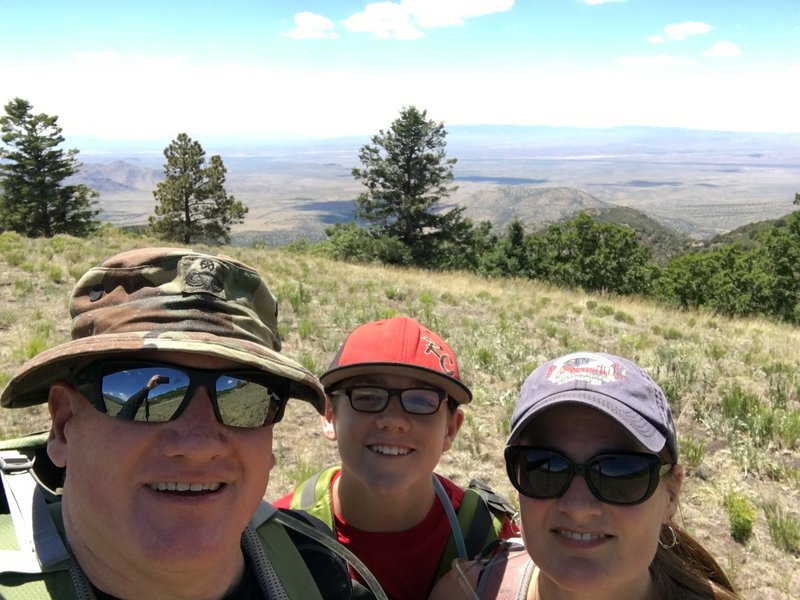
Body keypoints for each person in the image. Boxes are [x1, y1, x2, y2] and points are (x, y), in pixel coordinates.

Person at [0, 247, 369, 599]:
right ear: (64, 424)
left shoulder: (313, 566)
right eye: (131, 381)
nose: (199, 444)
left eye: (243, 391)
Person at [430, 351, 740, 600]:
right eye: (546, 467)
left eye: (620, 473)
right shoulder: (467, 591)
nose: (578, 507)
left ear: (671, 495)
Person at [272, 316, 518, 600]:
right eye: (367, 396)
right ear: (330, 415)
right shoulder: (276, 537)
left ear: (450, 429)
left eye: (421, 401)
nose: (393, 420)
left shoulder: (495, 542)